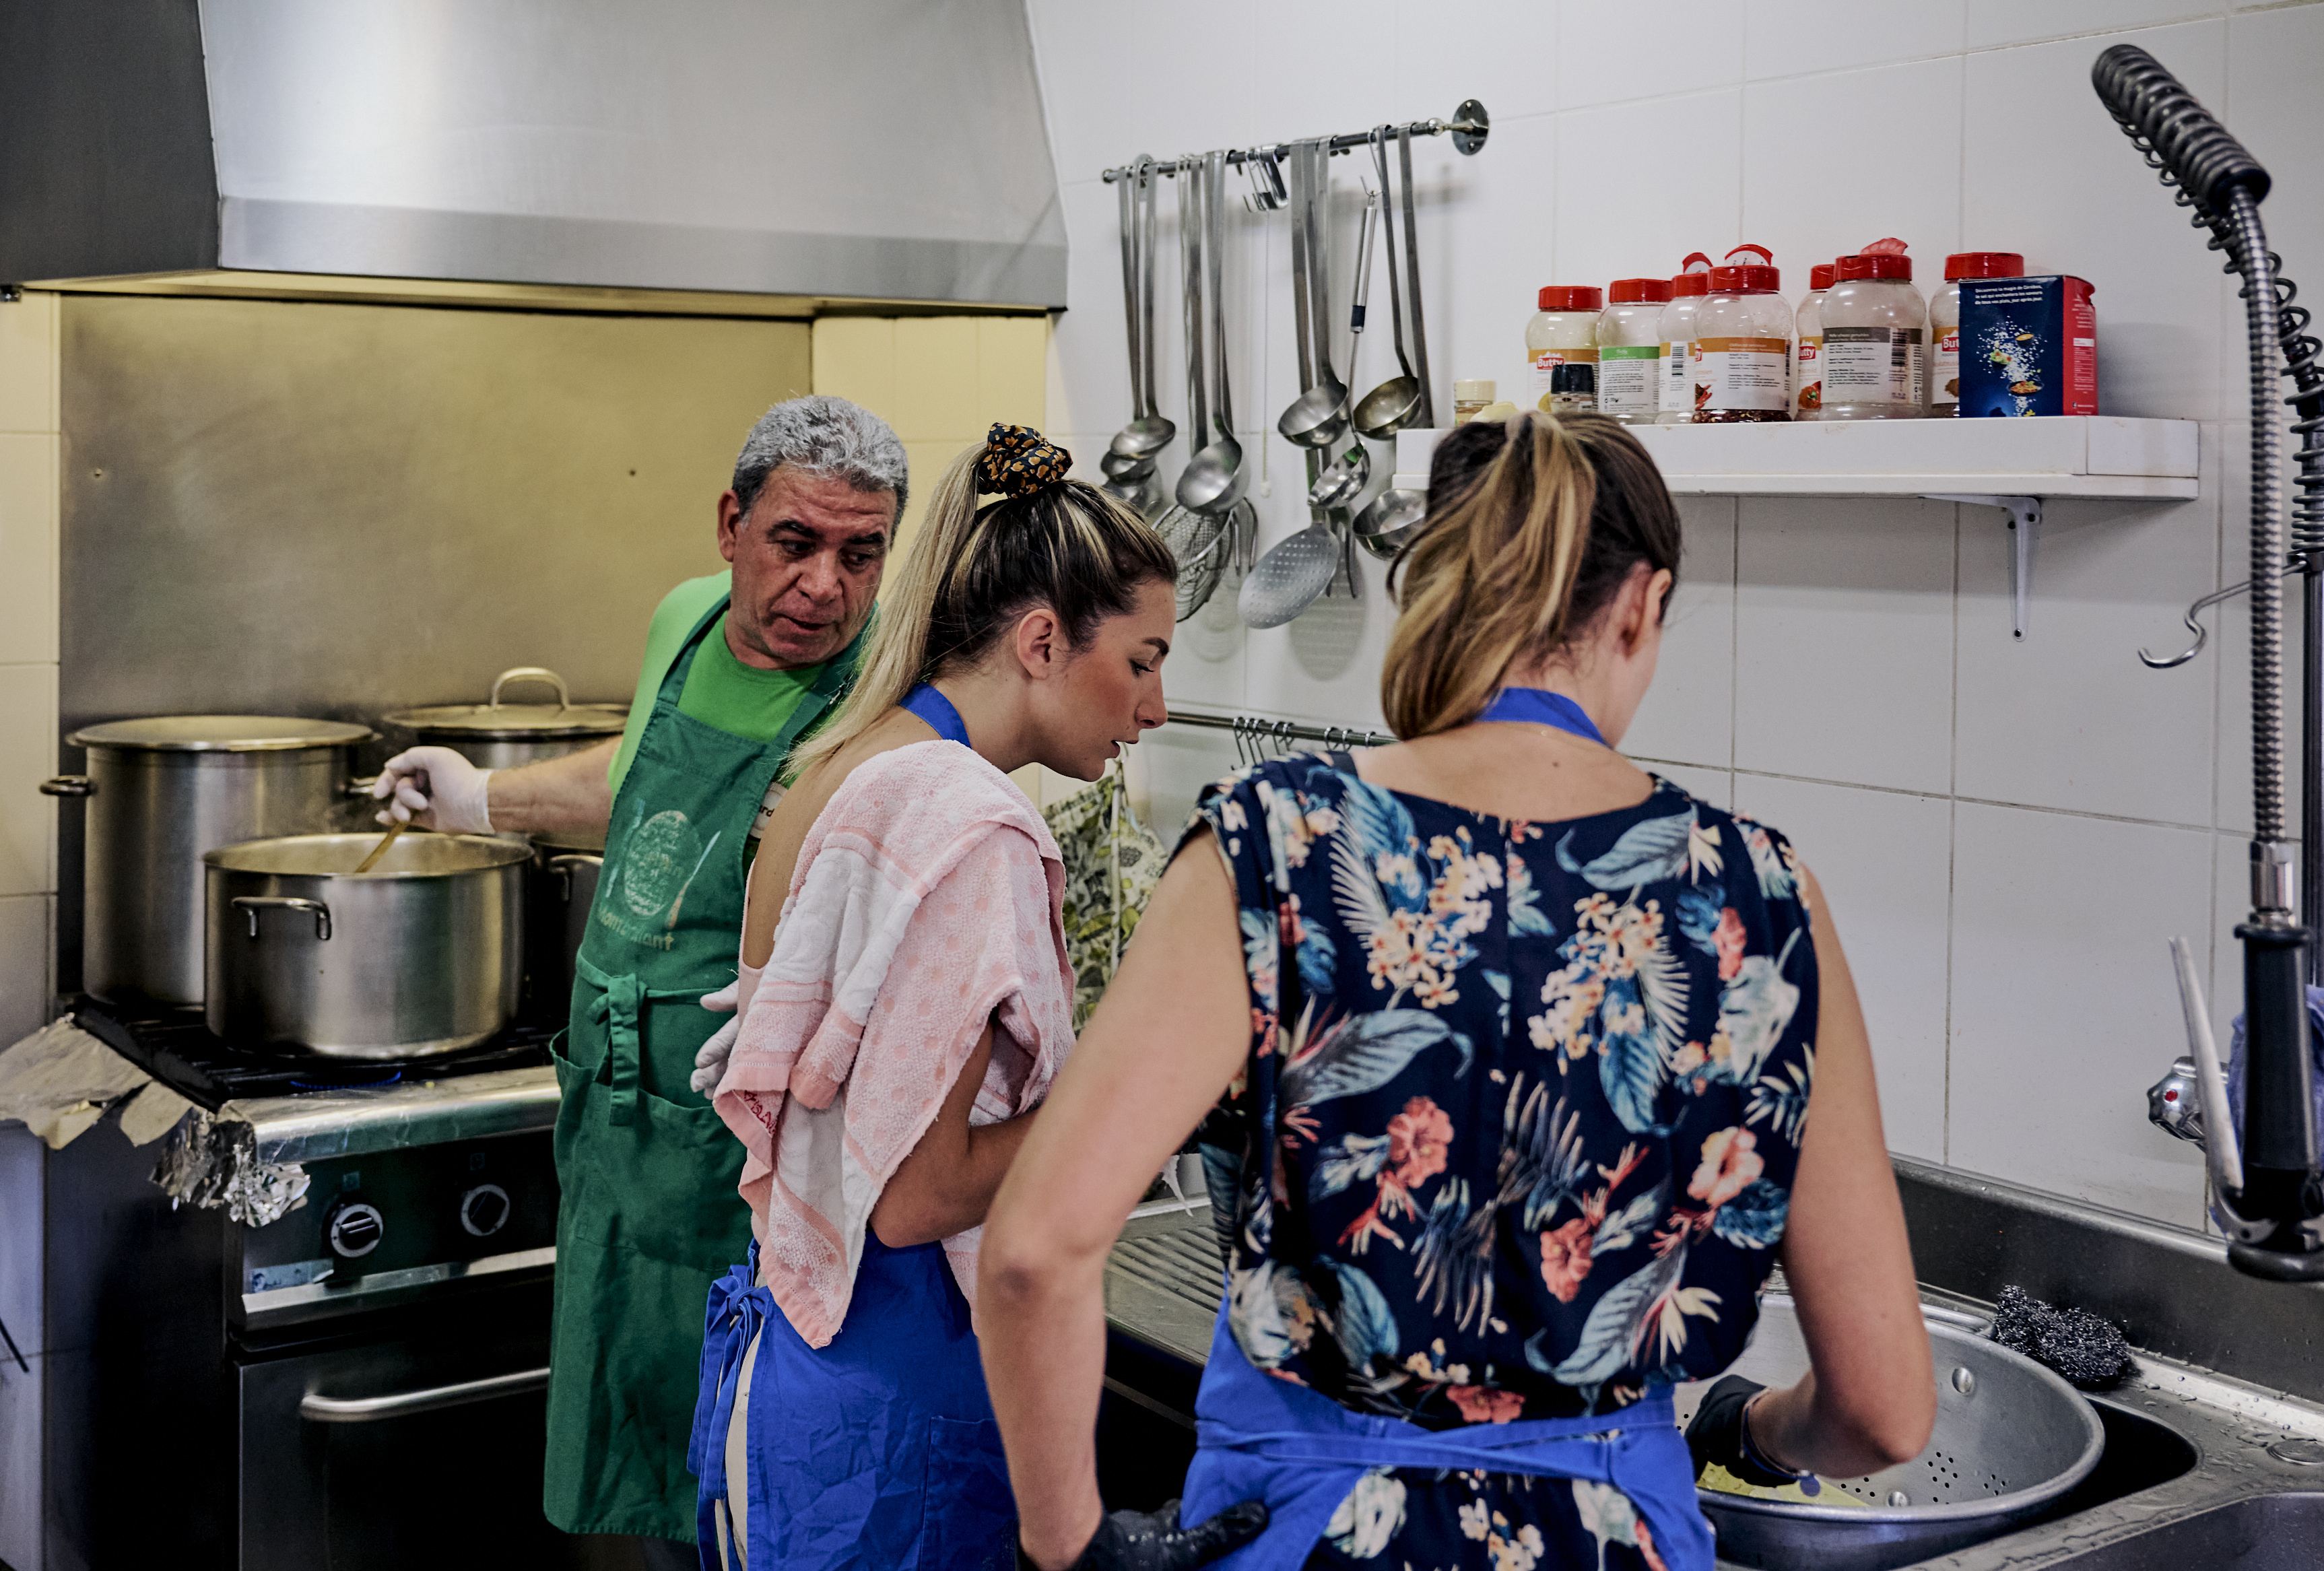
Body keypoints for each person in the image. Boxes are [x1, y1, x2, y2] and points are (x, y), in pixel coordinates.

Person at [976, 412, 1938, 1570]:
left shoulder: (1277, 846)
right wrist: (1752, 1426)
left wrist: (1068, 1546)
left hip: (1312, 1533)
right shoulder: (1764, 897)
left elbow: (1033, 1253)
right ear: (1641, 608)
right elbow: (1884, 1409)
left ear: (1432, 583)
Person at [684, 426, 1258, 1570]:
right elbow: (917, 1193)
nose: (1155, 707)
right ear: (1041, 641)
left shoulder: (859, 764)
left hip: (799, 1381)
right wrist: (1157, 1100)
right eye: (1143, 660)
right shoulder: (973, 829)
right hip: (900, 1414)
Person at [368, 395, 907, 1558]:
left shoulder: (886, 700)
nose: (824, 585)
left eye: (861, 554)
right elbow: (641, 780)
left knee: (739, 1488)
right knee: (631, 1469)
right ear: (729, 525)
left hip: (753, 1152)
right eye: (795, 541)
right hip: (619, 1125)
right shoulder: (686, 618)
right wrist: (481, 799)